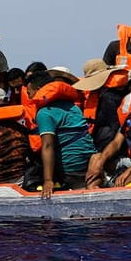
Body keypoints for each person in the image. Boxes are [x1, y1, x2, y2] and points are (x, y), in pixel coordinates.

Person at [28, 69, 96, 198]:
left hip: (70, 169)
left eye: (29, 92)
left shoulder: (45, 113)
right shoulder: (73, 107)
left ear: (38, 89)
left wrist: (48, 181)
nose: (30, 97)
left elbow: (48, 146)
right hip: (89, 163)